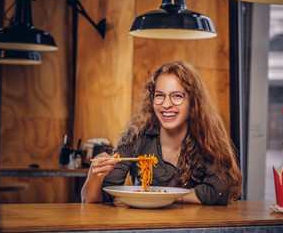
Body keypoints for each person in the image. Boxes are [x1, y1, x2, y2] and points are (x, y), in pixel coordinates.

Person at [81, 60, 242, 205]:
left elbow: (218, 192)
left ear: (193, 101)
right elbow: (94, 199)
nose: (166, 104)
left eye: (177, 96)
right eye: (159, 96)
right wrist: (94, 174)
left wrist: (163, 196)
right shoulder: (135, 137)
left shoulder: (207, 137)